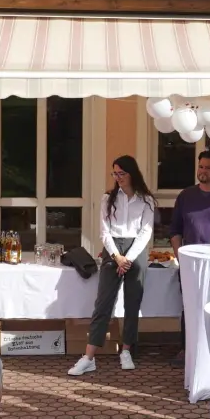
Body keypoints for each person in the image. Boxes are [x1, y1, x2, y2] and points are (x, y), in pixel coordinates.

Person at [71, 155, 155, 377]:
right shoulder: (107, 198)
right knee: (103, 302)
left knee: (132, 301)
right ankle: (89, 356)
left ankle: (126, 349)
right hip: (113, 248)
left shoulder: (146, 200)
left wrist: (129, 258)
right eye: (114, 173)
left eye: (121, 173)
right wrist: (117, 257)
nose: (118, 178)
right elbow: (104, 232)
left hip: (136, 248)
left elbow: (146, 232)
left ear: (131, 174)